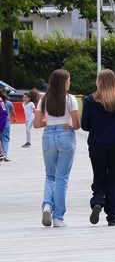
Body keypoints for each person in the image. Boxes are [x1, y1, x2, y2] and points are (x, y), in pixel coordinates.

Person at [81, 69, 115, 226]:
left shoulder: (90, 99)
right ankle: (112, 216)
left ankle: (97, 200)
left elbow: (85, 125)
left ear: (99, 81)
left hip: (96, 144)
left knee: (99, 174)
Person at [35, 69, 80, 228]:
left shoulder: (43, 99)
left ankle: (47, 205)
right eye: (69, 80)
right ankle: (58, 218)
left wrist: (49, 122)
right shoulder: (70, 99)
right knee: (62, 179)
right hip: (65, 135)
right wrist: (67, 124)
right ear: (64, 82)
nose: (69, 83)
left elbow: (36, 124)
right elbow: (77, 124)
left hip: (48, 136)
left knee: (50, 176)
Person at [0, 95, 11, 161]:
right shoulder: (1, 99)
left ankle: (2, 154)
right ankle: (3, 154)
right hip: (5, 119)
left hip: (1, 119)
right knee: (4, 138)